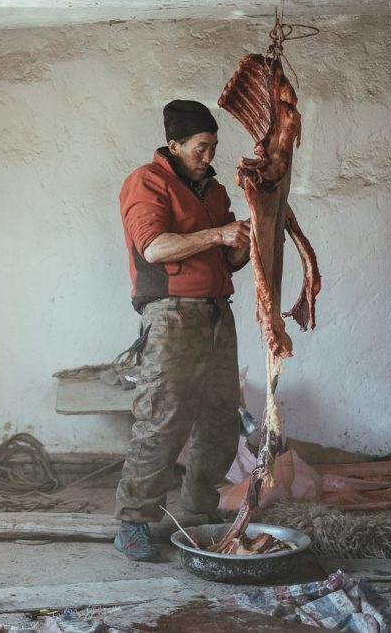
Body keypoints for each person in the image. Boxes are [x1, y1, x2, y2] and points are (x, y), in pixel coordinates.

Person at [113, 99, 251, 561]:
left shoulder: (212, 192)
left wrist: (243, 241)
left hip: (215, 311)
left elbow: (228, 257)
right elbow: (154, 247)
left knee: (218, 419)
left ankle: (198, 511)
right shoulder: (147, 182)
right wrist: (218, 236)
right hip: (171, 315)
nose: (208, 156)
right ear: (174, 145)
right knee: (163, 421)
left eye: (213, 147)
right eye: (200, 148)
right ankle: (134, 520)